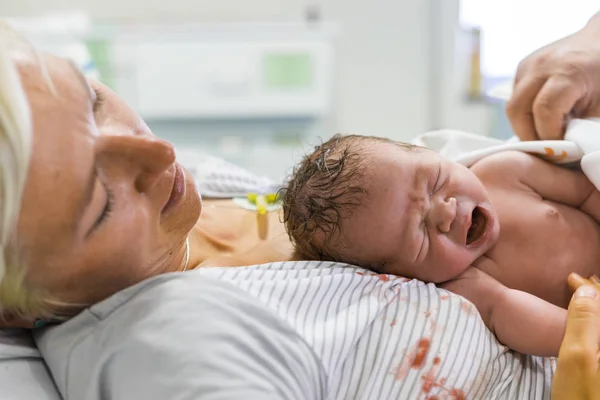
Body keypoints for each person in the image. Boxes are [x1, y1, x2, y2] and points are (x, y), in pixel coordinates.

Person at [0, 22, 559, 400]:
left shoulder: (200, 188)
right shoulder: (173, 347)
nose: (159, 152)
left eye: (94, 103)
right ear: (17, 311)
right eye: (99, 201)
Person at [282, 132, 600, 357]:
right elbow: (537, 325)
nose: (446, 212)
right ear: (402, 273)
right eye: (420, 231)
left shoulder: (506, 172)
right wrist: (590, 330)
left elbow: (586, 190)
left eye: (435, 181)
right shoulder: (466, 284)